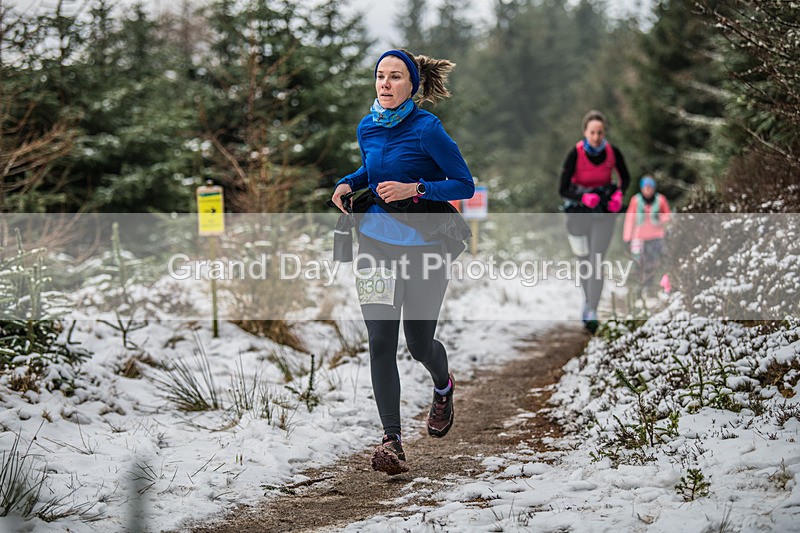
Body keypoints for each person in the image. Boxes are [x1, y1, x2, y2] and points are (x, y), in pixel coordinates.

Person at [330, 49, 474, 476]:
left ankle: (443, 387)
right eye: (380, 76)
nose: (386, 84)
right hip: (375, 243)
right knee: (379, 340)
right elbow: (371, 169)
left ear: (412, 85)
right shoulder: (367, 126)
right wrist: (348, 182)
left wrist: (417, 188)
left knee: (417, 344)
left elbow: (463, 184)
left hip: (426, 247)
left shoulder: (428, 129)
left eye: (395, 77)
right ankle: (391, 440)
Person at [559, 110, 631, 333]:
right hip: (579, 214)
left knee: (596, 259)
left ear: (604, 132)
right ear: (585, 133)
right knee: (584, 261)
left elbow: (625, 177)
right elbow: (562, 189)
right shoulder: (575, 154)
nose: (597, 136)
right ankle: (587, 300)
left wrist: (619, 195)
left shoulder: (612, 152)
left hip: (603, 212)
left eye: (600, 132)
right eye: (592, 132)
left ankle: (591, 309)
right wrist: (583, 197)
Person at [623, 175, 672, 291]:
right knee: (638, 261)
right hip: (638, 236)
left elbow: (668, 216)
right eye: (646, 187)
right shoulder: (635, 200)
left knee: (653, 262)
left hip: (656, 235)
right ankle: (638, 287)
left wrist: (660, 218)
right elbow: (630, 218)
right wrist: (627, 237)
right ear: (642, 188)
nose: (648, 189)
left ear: (654, 188)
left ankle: (652, 287)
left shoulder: (661, 199)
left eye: (650, 187)